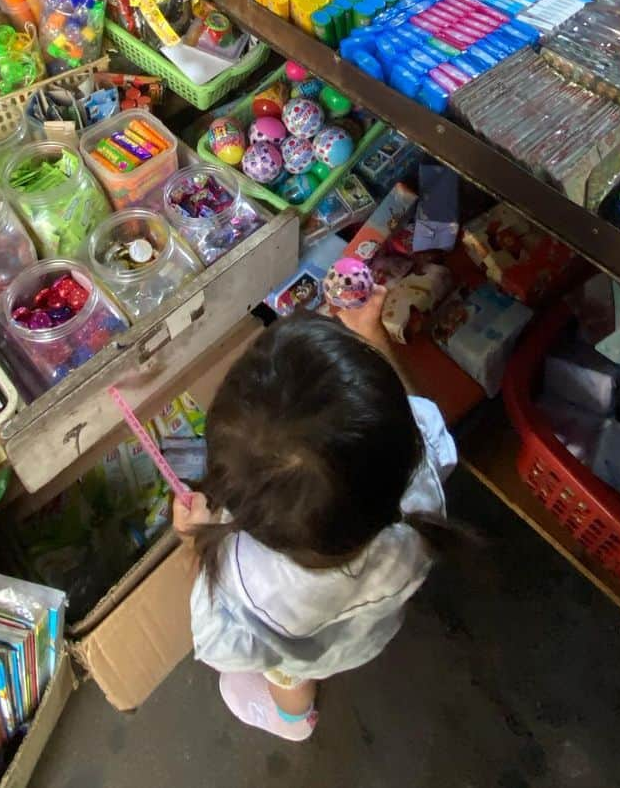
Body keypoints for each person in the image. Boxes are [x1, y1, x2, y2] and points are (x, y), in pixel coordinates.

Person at [173, 290, 457, 742]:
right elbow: (415, 420)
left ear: (242, 507)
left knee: (287, 677)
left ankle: (294, 720)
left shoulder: (249, 581)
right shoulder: (419, 492)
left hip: (301, 652)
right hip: (372, 630)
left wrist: (196, 535)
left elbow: (220, 646)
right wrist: (372, 337)